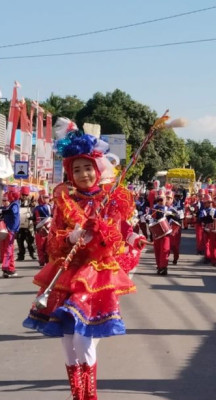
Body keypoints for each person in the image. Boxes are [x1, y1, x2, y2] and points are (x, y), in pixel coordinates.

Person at [23, 119, 145, 400]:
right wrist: (71, 236)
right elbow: (53, 243)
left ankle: (89, 395)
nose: (83, 174)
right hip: (67, 272)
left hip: (96, 275)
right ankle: (77, 393)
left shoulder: (112, 199)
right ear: (70, 173)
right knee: (67, 341)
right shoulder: (64, 201)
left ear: (97, 168)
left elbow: (119, 237)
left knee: (83, 339)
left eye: (87, 167)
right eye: (76, 169)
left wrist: (110, 235)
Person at [0, 189, 20, 278]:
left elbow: (12, 211)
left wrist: (3, 212)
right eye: (3, 200)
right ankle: (7, 268)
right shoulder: (9, 206)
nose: (4, 202)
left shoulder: (14, 204)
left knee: (8, 250)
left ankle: (8, 268)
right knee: (7, 249)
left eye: (5, 200)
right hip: (4, 231)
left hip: (10, 230)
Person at [32, 190, 52, 267]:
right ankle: (46, 261)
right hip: (48, 229)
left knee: (41, 246)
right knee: (46, 246)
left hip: (40, 229)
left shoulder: (36, 208)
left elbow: (33, 219)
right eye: (45, 197)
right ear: (41, 198)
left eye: (47, 197)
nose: (47, 199)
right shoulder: (50, 207)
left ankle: (42, 261)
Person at [17, 186, 36, 261]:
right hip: (19, 225)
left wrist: (33, 216)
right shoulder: (17, 202)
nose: (24, 196)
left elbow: (35, 212)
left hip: (29, 225)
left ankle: (32, 253)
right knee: (20, 241)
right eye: (23, 194)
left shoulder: (31, 202)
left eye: (26, 195)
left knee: (30, 241)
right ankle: (21, 255)